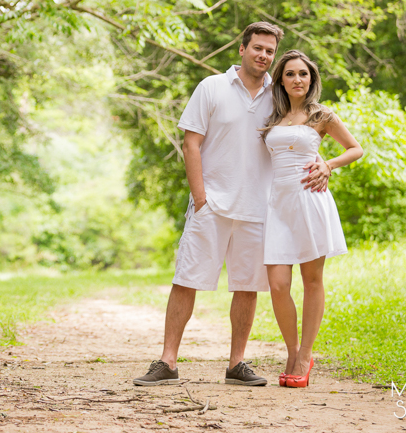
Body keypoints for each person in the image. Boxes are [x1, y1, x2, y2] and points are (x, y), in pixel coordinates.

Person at [132, 23, 329, 387]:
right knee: (186, 278)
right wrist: (201, 198)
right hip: (212, 204)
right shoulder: (212, 88)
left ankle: (237, 363)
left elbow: (302, 133)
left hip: (258, 208)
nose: (263, 56)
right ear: (242, 49)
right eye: (257, 48)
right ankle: (167, 361)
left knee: (247, 285)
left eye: (270, 51)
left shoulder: (279, 96)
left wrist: (323, 163)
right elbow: (191, 144)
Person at [260, 50, 363, 388]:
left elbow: (355, 149)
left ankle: (304, 355)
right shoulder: (271, 115)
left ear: (311, 79)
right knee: (277, 285)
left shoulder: (321, 114)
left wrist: (328, 165)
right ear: (281, 80)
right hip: (277, 205)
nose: (297, 79)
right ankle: (291, 349)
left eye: (303, 74)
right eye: (290, 74)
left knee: (312, 280)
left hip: (310, 201)